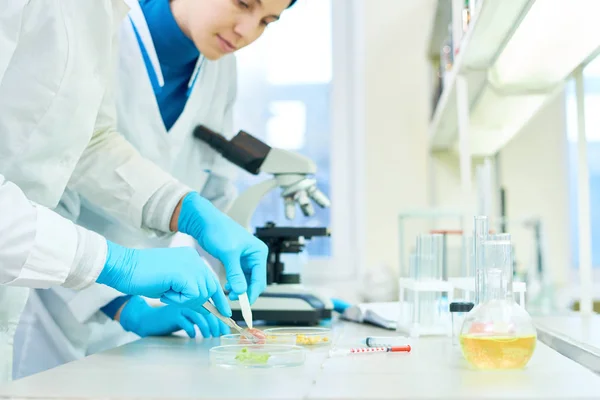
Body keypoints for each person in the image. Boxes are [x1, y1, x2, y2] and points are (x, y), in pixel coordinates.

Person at [12, 0, 298, 379]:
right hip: (46, 292)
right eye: (242, 3)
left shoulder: (104, 14)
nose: (247, 30)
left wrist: (189, 210)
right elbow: (44, 171)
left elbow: (91, 144)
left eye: (266, 21)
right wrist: (117, 275)